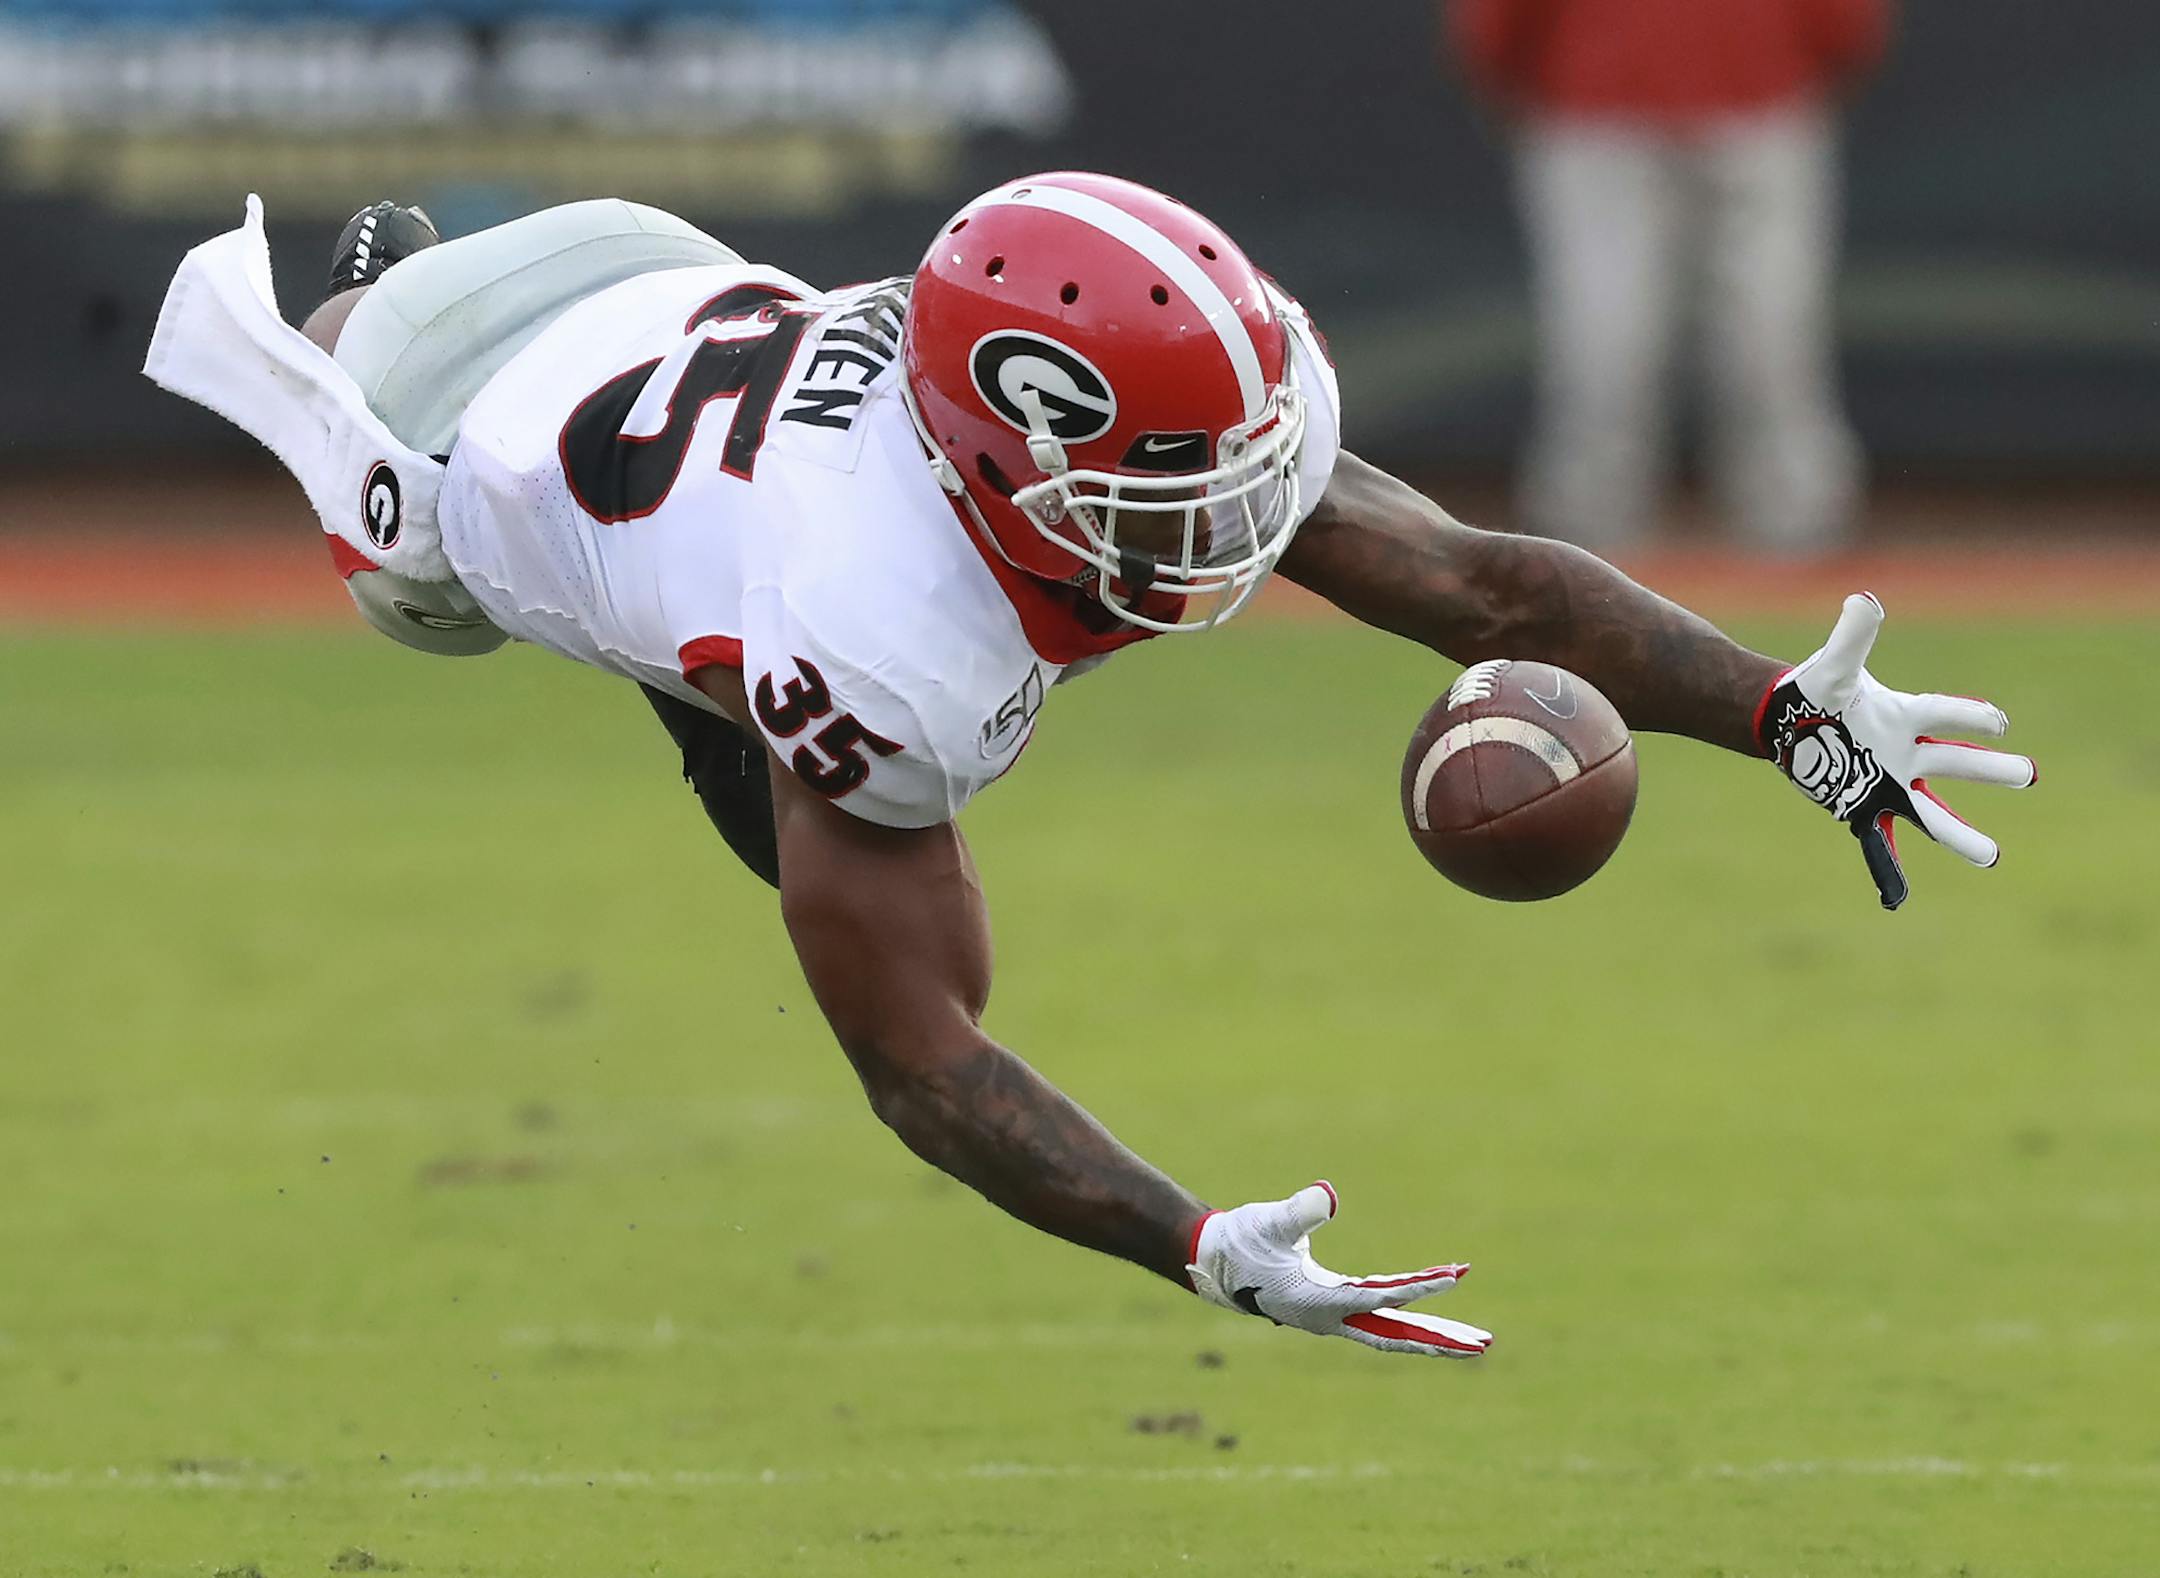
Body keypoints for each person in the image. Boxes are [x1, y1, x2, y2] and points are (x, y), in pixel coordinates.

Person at [145, 173, 2031, 1359]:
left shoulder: (1051, 438)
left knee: (774, 735)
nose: (1220, 528)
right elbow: (920, 1054)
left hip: (666, 286)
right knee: (428, 591)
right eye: (1164, 494)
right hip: (474, 412)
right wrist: (1189, 1240)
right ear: (989, 455)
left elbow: (1476, 581)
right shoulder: (878, 636)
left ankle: (686, 659)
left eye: (1222, 470)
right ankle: (353, 308)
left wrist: (1786, 711)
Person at [1449, 0, 1891, 553]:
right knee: (1609, 343)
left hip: (1756, 94)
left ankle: (1802, 550)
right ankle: (1578, 565)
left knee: (1768, 335)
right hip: (1599, 105)